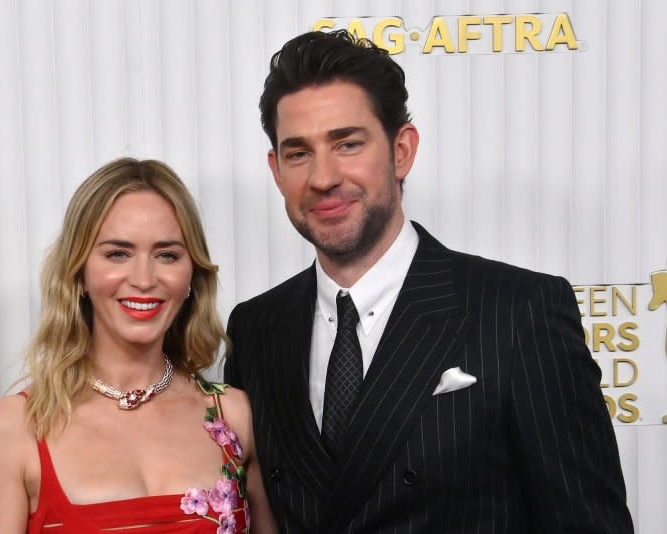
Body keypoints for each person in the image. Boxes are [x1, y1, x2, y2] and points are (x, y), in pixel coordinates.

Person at [224, 30, 634, 533]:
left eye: (347, 143)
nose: (323, 177)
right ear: (276, 170)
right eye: (298, 153)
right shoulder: (256, 328)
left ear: (402, 151)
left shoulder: (519, 311)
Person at [0, 158, 276, 533]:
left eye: (167, 255)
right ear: (78, 273)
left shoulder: (234, 415)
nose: (144, 279)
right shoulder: (11, 430)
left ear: (192, 275)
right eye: (118, 253)